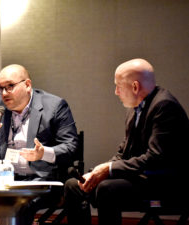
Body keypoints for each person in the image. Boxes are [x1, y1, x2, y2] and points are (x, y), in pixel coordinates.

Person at [64, 58, 189, 225]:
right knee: (74, 185)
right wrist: (95, 174)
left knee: (107, 189)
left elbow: (155, 159)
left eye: (118, 86)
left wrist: (109, 170)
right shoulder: (134, 109)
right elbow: (124, 152)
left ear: (135, 87)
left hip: (166, 185)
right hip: (142, 178)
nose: (116, 92)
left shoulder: (165, 106)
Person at [0, 64, 79, 225]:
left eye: (10, 87)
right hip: (3, 180)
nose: (4, 93)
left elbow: (71, 147)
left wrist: (43, 153)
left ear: (27, 85)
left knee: (18, 205)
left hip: (40, 180)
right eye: (0, 88)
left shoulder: (54, 106)